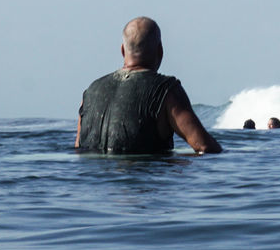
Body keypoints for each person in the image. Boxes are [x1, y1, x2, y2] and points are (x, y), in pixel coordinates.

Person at [76, 17, 221, 154]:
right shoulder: (166, 90)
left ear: (122, 50)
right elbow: (205, 147)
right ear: (160, 51)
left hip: (90, 178)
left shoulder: (90, 92)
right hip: (144, 177)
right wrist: (173, 165)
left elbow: (78, 148)